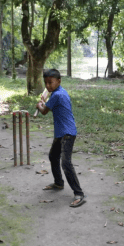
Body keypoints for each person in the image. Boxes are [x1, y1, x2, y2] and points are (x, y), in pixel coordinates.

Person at [35, 69, 85, 207]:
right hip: (61, 132)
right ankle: (58, 183)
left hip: (67, 133)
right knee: (53, 156)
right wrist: (44, 103)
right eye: (46, 83)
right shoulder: (58, 92)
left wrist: (39, 105)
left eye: (50, 82)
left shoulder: (57, 95)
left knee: (66, 163)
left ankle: (79, 193)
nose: (48, 86)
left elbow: (44, 111)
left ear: (59, 81)